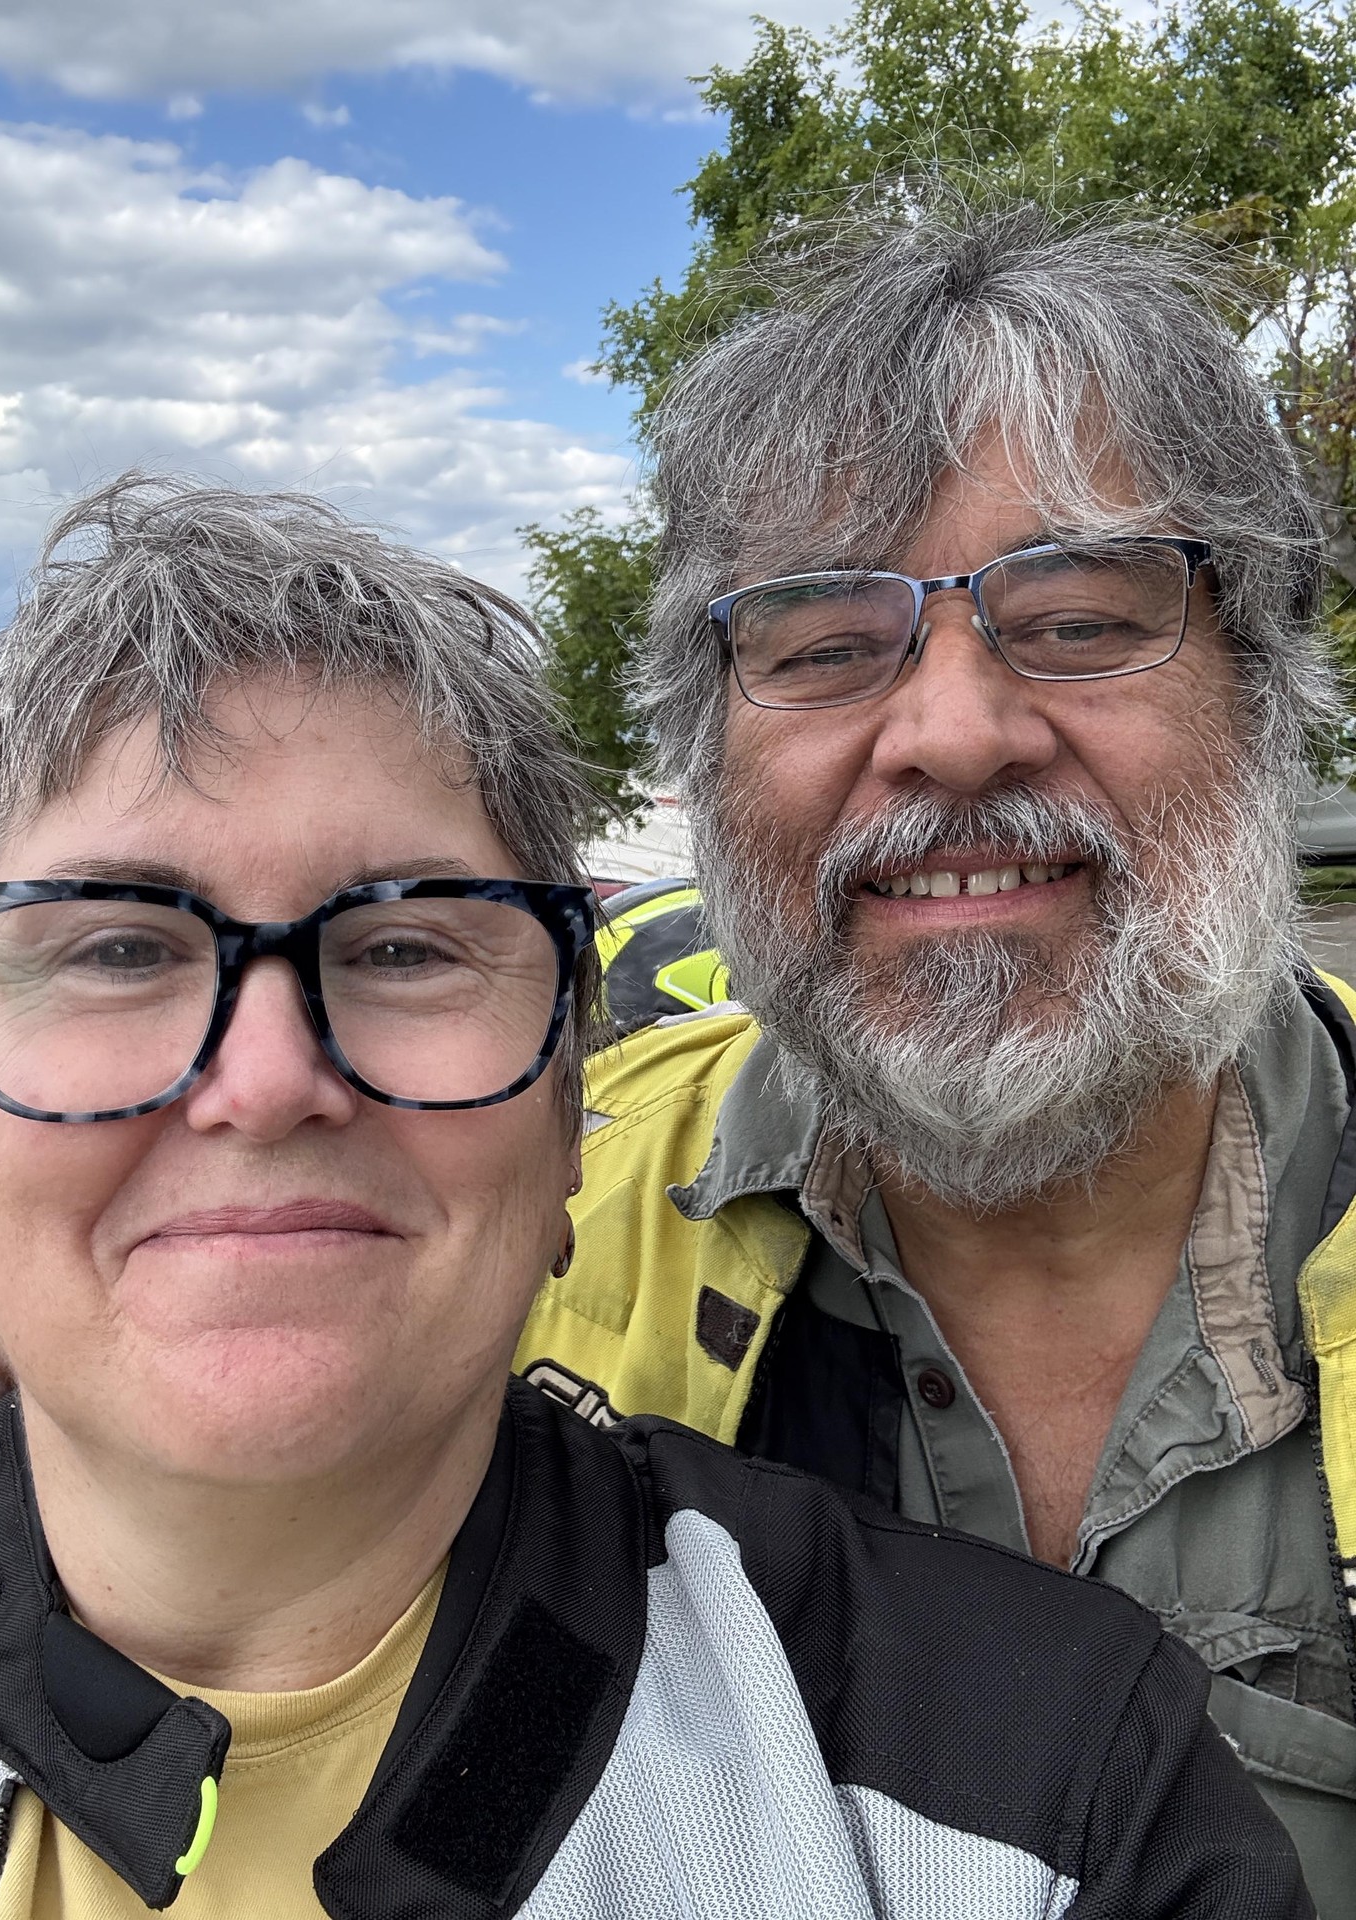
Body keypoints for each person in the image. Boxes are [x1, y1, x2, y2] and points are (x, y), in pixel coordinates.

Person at [0, 475, 1311, 1919]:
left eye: (405, 950)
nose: (265, 1083)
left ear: (573, 1116)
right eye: (115, 950)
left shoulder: (1061, 1785)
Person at [504, 199, 1356, 1910]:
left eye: (1086, 619)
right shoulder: (496, 1226)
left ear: (1267, 698)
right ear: (703, 762)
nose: (957, 732)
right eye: (825, 647)